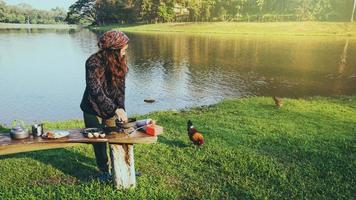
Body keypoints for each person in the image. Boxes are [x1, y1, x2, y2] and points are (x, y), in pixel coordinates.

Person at [80, 30, 129, 181]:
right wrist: (114, 109)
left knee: (116, 136)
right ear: (114, 49)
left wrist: (121, 109)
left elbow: (120, 89)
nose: (125, 51)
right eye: (123, 48)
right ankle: (103, 170)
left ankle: (120, 167)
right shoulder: (93, 62)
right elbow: (95, 90)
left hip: (112, 107)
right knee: (98, 141)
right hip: (91, 107)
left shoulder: (120, 60)